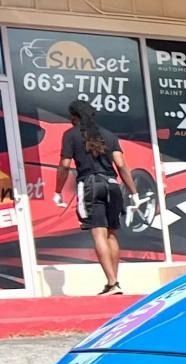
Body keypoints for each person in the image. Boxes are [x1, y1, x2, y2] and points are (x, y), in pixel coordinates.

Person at [51, 100, 139, 295]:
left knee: (99, 234)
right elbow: (121, 165)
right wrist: (134, 191)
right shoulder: (109, 135)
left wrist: (58, 190)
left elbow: (65, 165)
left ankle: (112, 282)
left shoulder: (71, 135)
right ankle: (113, 282)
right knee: (112, 233)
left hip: (90, 185)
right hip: (113, 185)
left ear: (74, 117)